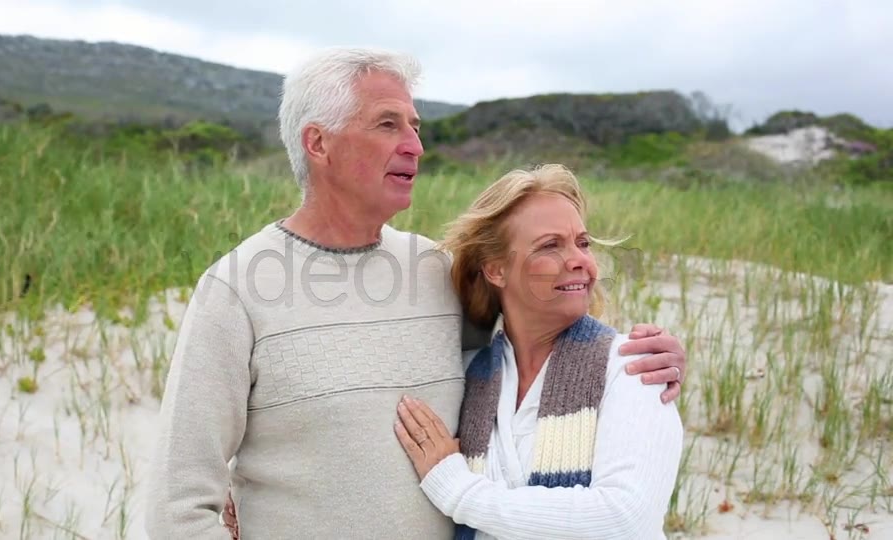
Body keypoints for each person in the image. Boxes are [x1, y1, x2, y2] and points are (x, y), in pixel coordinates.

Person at [144, 47, 687, 539]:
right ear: (319, 143)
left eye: (415, 125)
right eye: (388, 124)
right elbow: (179, 506)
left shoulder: (435, 271)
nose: (416, 146)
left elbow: (541, 326)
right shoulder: (236, 288)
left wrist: (650, 355)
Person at [393, 164, 684, 539]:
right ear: (496, 269)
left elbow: (626, 517)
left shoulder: (634, 366)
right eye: (550, 245)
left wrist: (458, 491)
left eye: (582, 242)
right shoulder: (471, 375)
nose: (580, 259)